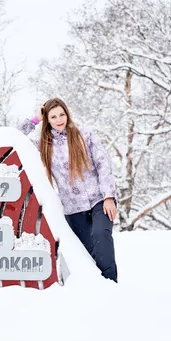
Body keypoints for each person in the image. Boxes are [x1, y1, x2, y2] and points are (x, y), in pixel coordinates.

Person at [17, 97, 118, 282]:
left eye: (62, 114)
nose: (59, 119)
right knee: (90, 256)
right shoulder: (44, 145)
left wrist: (109, 197)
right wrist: (34, 120)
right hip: (73, 209)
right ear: (47, 120)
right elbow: (15, 139)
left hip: (99, 200)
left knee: (101, 236)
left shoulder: (84, 135)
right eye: (53, 116)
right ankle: (99, 292)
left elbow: (103, 164)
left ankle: (112, 287)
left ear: (67, 114)